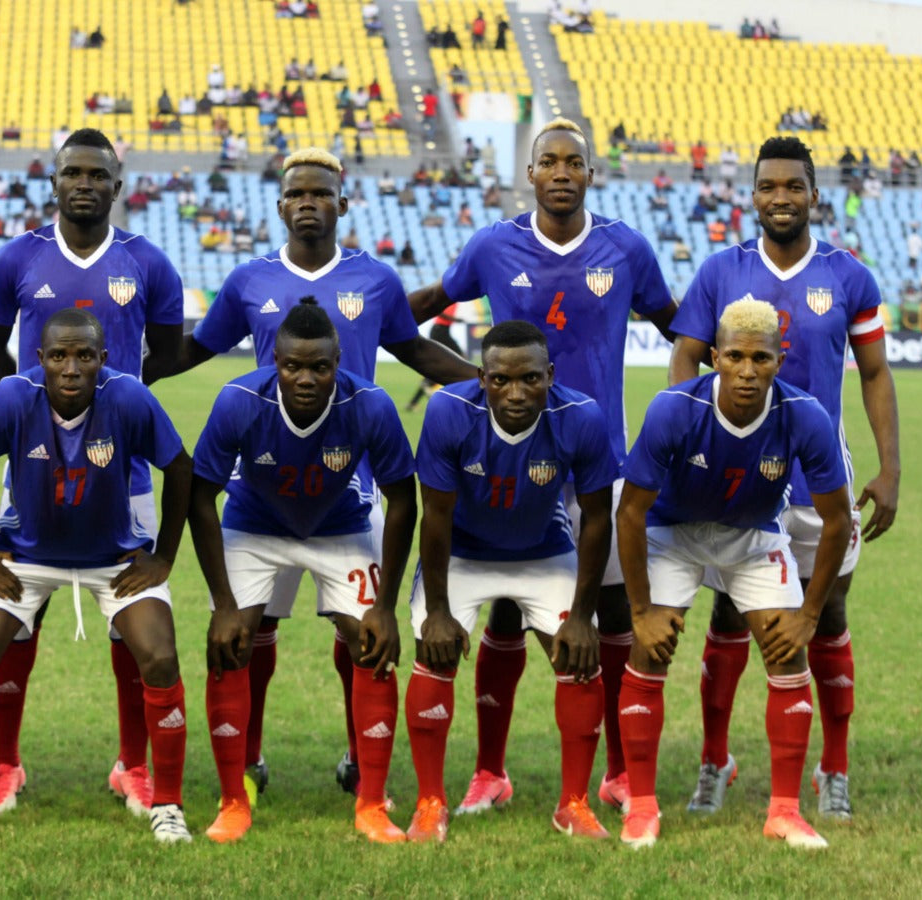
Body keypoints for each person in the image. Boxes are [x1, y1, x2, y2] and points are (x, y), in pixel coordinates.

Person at [159, 148, 474, 804]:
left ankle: (361, 759)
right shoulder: (249, 279)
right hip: (265, 484)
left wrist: (486, 384)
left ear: (343, 202)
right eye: (297, 193)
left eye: (321, 193)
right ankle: (247, 757)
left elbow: (413, 350)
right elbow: (200, 347)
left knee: (359, 631)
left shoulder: (376, 280)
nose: (308, 202)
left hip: (349, 484)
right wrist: (128, 377)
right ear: (279, 206)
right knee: (254, 630)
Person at [409, 117, 679, 818]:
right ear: (530, 174)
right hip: (503, 459)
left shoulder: (626, 249)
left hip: (601, 460)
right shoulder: (493, 246)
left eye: (574, 162)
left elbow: (682, 326)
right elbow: (429, 304)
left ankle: (619, 772)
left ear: (591, 173)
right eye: (548, 162)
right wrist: (368, 326)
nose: (561, 172)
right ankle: (489, 773)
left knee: (610, 616)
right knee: (503, 607)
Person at [669, 136, 898, 823]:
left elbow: (878, 373)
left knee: (827, 616)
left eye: (792, 186)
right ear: (753, 196)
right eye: (767, 186)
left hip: (818, 483)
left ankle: (835, 769)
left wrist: (890, 469)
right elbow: (684, 357)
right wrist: (691, 438)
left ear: (813, 195)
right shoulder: (720, 271)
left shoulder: (849, 276)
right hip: (735, 479)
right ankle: (715, 761)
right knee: (729, 613)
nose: (779, 198)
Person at [0, 128, 184, 815]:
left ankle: (133, 764)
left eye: (97, 174)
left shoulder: (147, 262)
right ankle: (3, 764)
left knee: (133, 621)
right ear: (54, 183)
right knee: (14, 618)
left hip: (127, 476)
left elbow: (168, 350)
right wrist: (27, 410)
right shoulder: (19, 257)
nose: (83, 183)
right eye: (71, 173)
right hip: (33, 467)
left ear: (118, 186)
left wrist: (120, 409)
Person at [0, 308, 193, 844]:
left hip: (113, 557)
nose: (71, 368)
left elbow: (181, 467)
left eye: (83, 356)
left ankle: (168, 804)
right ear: (40, 360)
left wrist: (163, 556)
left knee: (161, 657)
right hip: (25, 556)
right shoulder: (11, 397)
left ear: (105, 359)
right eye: (58, 356)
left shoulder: (127, 397)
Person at [618, 298, 853, 850]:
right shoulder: (674, 408)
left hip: (753, 538)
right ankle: (643, 809)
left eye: (761, 359)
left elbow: (837, 519)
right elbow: (629, 513)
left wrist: (810, 614)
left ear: (780, 358)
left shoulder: (806, 415)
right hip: (673, 533)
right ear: (715, 358)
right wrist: (641, 611)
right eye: (735, 357)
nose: (748, 372)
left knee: (785, 651)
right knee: (648, 650)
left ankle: (785, 812)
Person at [193, 299, 418, 844]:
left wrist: (385, 607)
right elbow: (199, 498)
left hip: (341, 526)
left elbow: (403, 501)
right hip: (254, 526)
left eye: (320, 366)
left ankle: (371, 804)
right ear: (275, 358)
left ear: (339, 361)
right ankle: (232, 801)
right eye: (293, 365)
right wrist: (223, 605)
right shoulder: (239, 400)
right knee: (230, 644)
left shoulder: (371, 405)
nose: (306, 377)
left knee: (371, 645)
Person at [409, 321, 618, 842]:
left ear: (550, 375)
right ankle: (430, 803)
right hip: (464, 550)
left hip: (542, 550)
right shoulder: (448, 411)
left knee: (579, 659)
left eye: (530, 379)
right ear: (481, 378)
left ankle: (573, 803)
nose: (516, 392)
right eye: (501, 380)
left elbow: (597, 517)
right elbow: (433, 516)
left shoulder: (580, 416)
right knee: (432, 653)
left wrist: (584, 617)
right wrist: (437, 611)